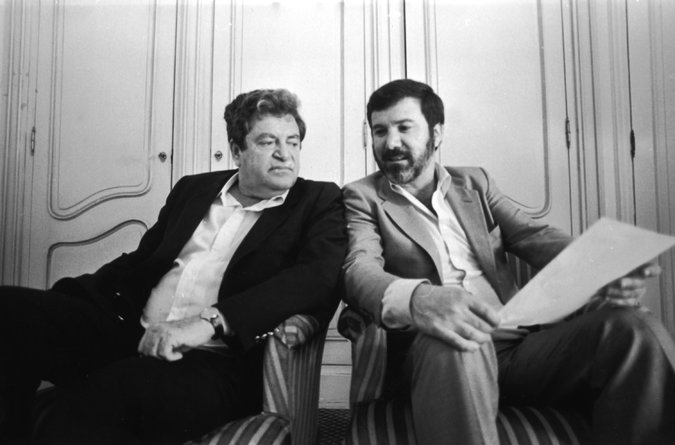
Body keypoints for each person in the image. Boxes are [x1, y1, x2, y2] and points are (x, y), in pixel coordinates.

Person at [0, 88, 347, 444]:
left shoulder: (317, 200)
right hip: (131, 331)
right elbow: (142, 261)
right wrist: (66, 299)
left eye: (292, 142)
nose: (285, 154)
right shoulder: (194, 189)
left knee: (91, 402)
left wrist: (210, 322)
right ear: (236, 149)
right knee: (10, 310)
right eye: (267, 142)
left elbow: (315, 277)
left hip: (214, 361)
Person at [342, 78, 675, 445]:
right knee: (458, 336)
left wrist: (600, 266)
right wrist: (419, 298)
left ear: (436, 134)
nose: (390, 143)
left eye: (404, 128)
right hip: (437, 354)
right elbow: (359, 268)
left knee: (634, 329)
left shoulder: (475, 183)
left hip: (520, 349)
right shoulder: (363, 197)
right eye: (380, 131)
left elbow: (533, 235)